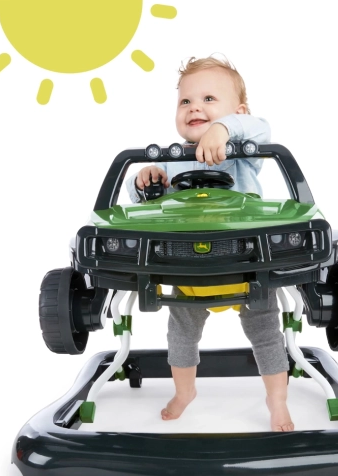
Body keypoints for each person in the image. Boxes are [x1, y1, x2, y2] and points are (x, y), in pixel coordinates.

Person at [126, 56, 294, 432]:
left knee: (266, 333)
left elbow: (261, 128)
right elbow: (142, 206)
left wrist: (223, 130)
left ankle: (277, 399)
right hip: (189, 272)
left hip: (249, 266)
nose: (194, 108)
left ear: (238, 113)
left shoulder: (244, 154)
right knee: (180, 335)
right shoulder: (170, 160)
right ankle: (184, 392)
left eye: (208, 99)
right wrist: (144, 179)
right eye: (185, 101)